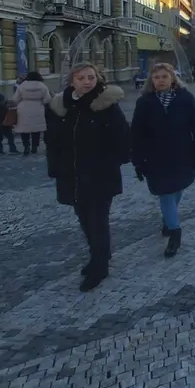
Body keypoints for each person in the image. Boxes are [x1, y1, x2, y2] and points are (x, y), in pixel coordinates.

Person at [46, 63, 130, 292]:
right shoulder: (60, 106)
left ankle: (99, 266)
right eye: (81, 77)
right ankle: (99, 254)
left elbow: (123, 136)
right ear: (72, 81)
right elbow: (52, 141)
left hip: (100, 175)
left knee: (97, 221)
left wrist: (113, 159)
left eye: (91, 77)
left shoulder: (106, 105)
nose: (86, 81)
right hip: (71, 175)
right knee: (84, 219)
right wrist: (54, 167)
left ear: (98, 79)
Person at [131, 62, 195, 258]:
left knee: (177, 189)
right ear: (151, 80)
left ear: (172, 78)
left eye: (164, 76)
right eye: (156, 77)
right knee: (165, 193)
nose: (160, 80)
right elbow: (136, 132)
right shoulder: (145, 102)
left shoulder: (185, 98)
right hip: (155, 156)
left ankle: (168, 220)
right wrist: (137, 160)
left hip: (182, 153)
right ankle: (175, 233)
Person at [12, 70, 52, 155]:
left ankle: (26, 146)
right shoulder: (42, 86)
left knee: (24, 129)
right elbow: (47, 99)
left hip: (23, 108)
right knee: (36, 130)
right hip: (38, 107)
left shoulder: (22, 86)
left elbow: (15, 99)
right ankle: (34, 147)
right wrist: (42, 102)